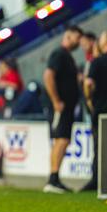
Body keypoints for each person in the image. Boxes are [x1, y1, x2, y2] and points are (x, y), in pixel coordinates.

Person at [43, 26, 83, 194]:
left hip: (66, 106)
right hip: (61, 106)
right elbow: (48, 76)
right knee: (61, 139)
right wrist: (56, 100)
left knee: (62, 139)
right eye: (77, 37)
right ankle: (53, 179)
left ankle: (55, 178)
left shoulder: (66, 56)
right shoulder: (59, 54)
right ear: (69, 36)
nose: (79, 42)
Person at [82, 31, 107, 192]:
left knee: (101, 148)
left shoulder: (97, 62)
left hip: (102, 111)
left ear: (105, 43)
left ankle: (101, 182)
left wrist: (89, 100)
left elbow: (88, 84)